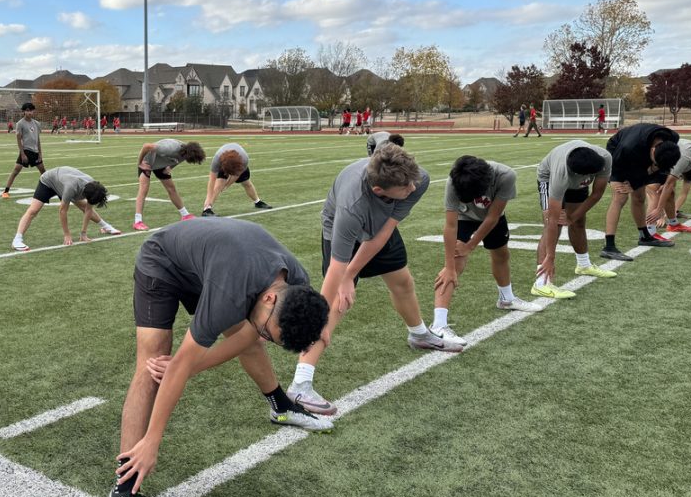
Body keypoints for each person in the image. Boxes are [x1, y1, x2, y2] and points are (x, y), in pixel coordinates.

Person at [109, 218, 332, 497]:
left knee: (250, 335)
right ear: (270, 298)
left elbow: (243, 341)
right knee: (154, 361)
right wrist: (152, 441)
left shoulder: (296, 285)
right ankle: (124, 489)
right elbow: (180, 367)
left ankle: (280, 406)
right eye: (272, 333)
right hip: (163, 261)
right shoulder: (230, 291)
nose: (266, 338)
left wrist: (190, 366)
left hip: (214, 266)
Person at [286, 145, 457, 416]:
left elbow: (383, 234)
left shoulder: (416, 179)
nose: (413, 188)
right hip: (342, 233)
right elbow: (336, 270)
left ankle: (419, 334)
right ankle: (300, 383)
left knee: (402, 281)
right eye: (406, 187)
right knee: (337, 305)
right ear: (379, 191)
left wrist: (353, 274)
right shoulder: (351, 208)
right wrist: (338, 291)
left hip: (379, 228)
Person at [431, 156, 543, 346]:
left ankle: (506, 299)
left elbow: (492, 217)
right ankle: (438, 326)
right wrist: (449, 265)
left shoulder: (506, 176)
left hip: (493, 217)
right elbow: (450, 225)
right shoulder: (455, 179)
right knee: (455, 264)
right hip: (464, 216)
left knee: (501, 254)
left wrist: (471, 245)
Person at [533, 140, 614, 299]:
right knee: (554, 225)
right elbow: (552, 220)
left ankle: (584, 265)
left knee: (579, 222)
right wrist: (550, 257)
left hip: (576, 177)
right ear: (577, 174)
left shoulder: (604, 158)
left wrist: (572, 217)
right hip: (548, 178)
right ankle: (541, 283)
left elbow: (597, 194)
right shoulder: (560, 174)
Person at [600, 122, 681, 261]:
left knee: (639, 197)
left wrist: (640, 180)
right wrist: (632, 182)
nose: (655, 167)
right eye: (655, 164)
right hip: (617, 154)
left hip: (641, 150)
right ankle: (609, 247)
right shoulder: (628, 148)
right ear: (653, 150)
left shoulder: (673, 138)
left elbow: (656, 168)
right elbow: (616, 165)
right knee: (620, 197)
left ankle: (644, 236)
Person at [11, 167, 121, 251]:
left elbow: (88, 209)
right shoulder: (71, 188)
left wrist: (83, 233)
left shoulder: (93, 186)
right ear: (85, 194)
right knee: (33, 210)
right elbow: (62, 211)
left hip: (64, 180)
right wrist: (67, 234)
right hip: (48, 181)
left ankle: (106, 227)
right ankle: (17, 239)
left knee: (83, 206)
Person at [645, 134, 691, 233]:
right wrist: (659, 210)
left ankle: (673, 225)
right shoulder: (685, 157)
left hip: (661, 160)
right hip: (651, 160)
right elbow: (669, 184)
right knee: (655, 190)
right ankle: (650, 234)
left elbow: (669, 184)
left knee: (669, 193)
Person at [132, 138, 206, 231]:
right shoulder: (169, 148)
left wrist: (170, 167)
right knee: (144, 189)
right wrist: (140, 163)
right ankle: (137, 221)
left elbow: (177, 160)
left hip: (161, 164)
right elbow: (146, 146)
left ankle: (185, 215)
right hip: (148, 161)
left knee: (172, 189)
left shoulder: (186, 152)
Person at [200, 143, 271, 216]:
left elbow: (237, 175)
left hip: (238, 164)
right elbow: (211, 180)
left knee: (247, 183)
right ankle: (207, 209)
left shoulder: (244, 159)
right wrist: (208, 198)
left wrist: (226, 186)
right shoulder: (217, 160)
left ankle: (257, 202)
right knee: (218, 186)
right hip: (224, 163)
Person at [0, 102, 44, 198]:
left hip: (35, 152)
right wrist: (22, 154)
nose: (29, 112)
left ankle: (50, 190)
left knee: (44, 173)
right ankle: (5, 191)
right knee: (16, 171)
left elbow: (38, 139)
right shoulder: (20, 123)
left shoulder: (37, 123)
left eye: (31, 110)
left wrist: (40, 153)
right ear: (24, 111)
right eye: (27, 110)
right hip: (26, 151)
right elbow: (19, 139)